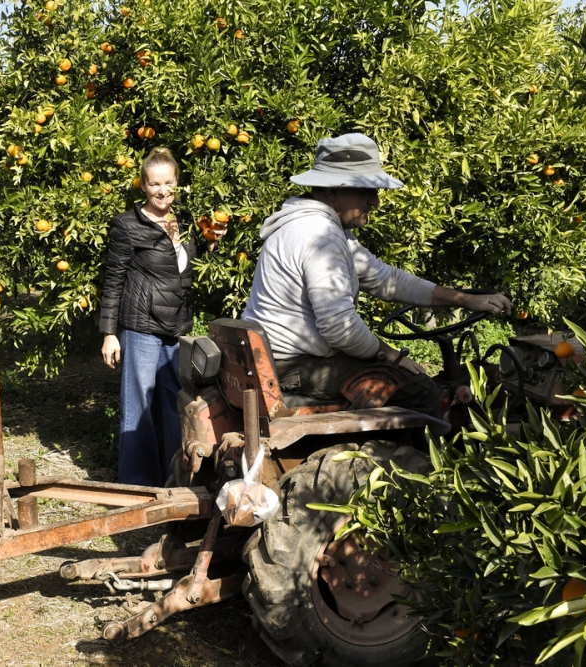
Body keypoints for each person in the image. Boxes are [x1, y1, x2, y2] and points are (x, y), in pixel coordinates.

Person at [242, 132, 511, 416]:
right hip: (294, 365)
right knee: (421, 391)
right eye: (366, 191)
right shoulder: (320, 235)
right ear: (333, 191)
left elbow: (386, 279)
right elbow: (340, 328)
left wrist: (464, 299)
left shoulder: (322, 230)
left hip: (282, 359)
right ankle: (423, 458)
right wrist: (391, 356)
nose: (375, 202)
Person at [100, 147, 225, 486]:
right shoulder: (129, 225)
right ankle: (137, 481)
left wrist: (214, 243)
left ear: (177, 183)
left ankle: (173, 477)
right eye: (154, 184)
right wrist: (110, 332)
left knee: (174, 406)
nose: (162, 191)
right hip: (141, 326)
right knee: (138, 405)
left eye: (168, 183)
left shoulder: (185, 222)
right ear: (143, 185)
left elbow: (190, 271)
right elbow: (114, 279)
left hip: (176, 327)